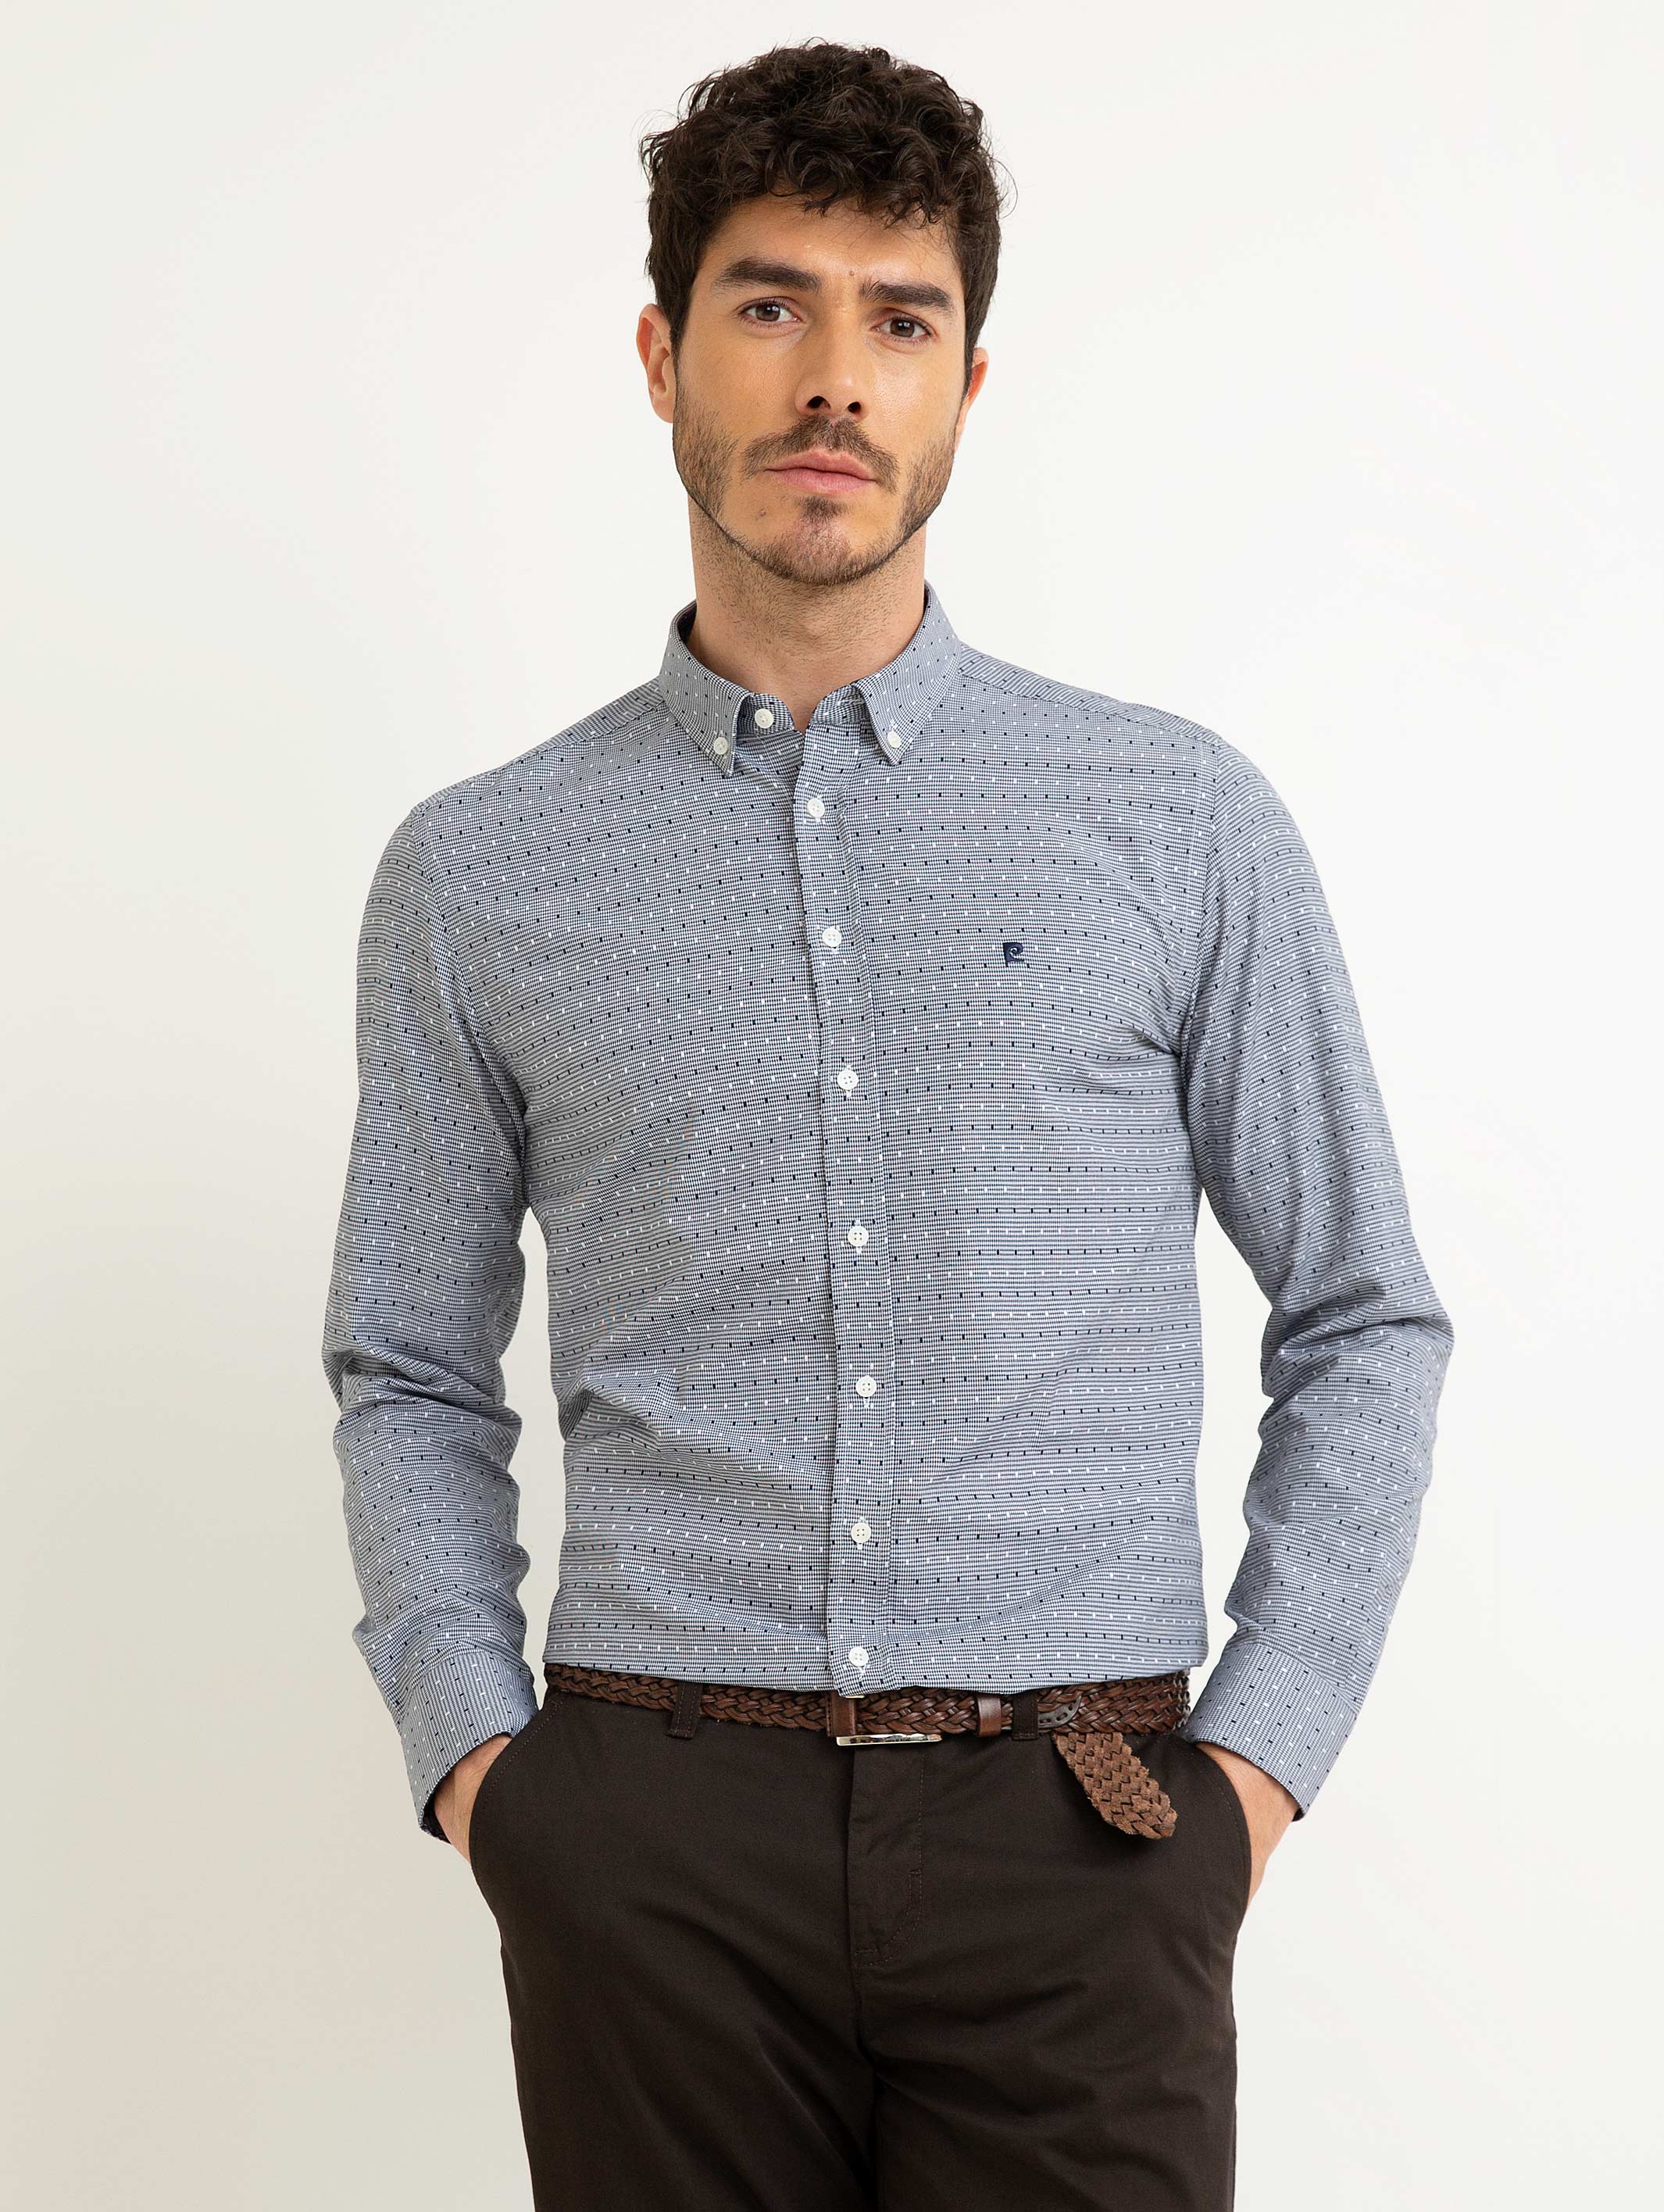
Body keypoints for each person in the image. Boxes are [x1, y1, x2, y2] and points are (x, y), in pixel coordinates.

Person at [321, 36, 1453, 2211]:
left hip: (1087, 1826)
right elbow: (407, 1361)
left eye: (899, 320)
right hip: (651, 1836)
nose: (833, 378)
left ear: (966, 384)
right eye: (770, 304)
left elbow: (1364, 1315)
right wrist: (483, 1762)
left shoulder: (1173, 822)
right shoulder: (481, 872)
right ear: (662, 356)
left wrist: (1254, 1767)